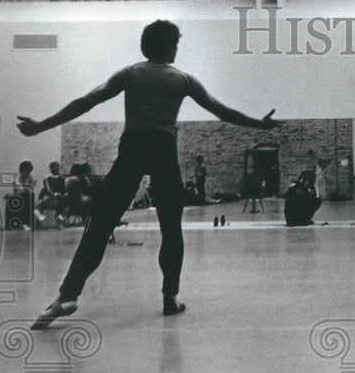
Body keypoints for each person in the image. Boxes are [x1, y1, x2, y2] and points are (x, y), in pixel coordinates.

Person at [18, 19, 283, 330]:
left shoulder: (130, 73)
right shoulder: (183, 79)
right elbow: (222, 112)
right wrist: (260, 124)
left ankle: (66, 295)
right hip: (162, 148)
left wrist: (40, 126)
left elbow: (85, 103)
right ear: (170, 46)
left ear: (146, 46)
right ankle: (170, 297)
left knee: (101, 224)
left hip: (133, 147)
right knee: (171, 228)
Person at [12, 160, 45, 228]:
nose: (28, 173)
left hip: (27, 195)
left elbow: (32, 188)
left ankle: (27, 223)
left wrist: (32, 185)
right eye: (27, 172)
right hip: (18, 195)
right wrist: (27, 187)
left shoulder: (29, 176)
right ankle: (36, 215)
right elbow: (18, 189)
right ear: (22, 170)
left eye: (29, 172)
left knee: (30, 198)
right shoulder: (17, 176)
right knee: (28, 197)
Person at [38, 161, 67, 226]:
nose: (57, 169)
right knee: (60, 201)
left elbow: (63, 189)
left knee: (64, 201)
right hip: (49, 198)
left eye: (58, 167)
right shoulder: (47, 178)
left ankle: (59, 220)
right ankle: (59, 222)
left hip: (59, 197)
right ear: (51, 168)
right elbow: (48, 190)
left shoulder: (61, 178)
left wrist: (64, 194)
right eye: (55, 167)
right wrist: (56, 194)